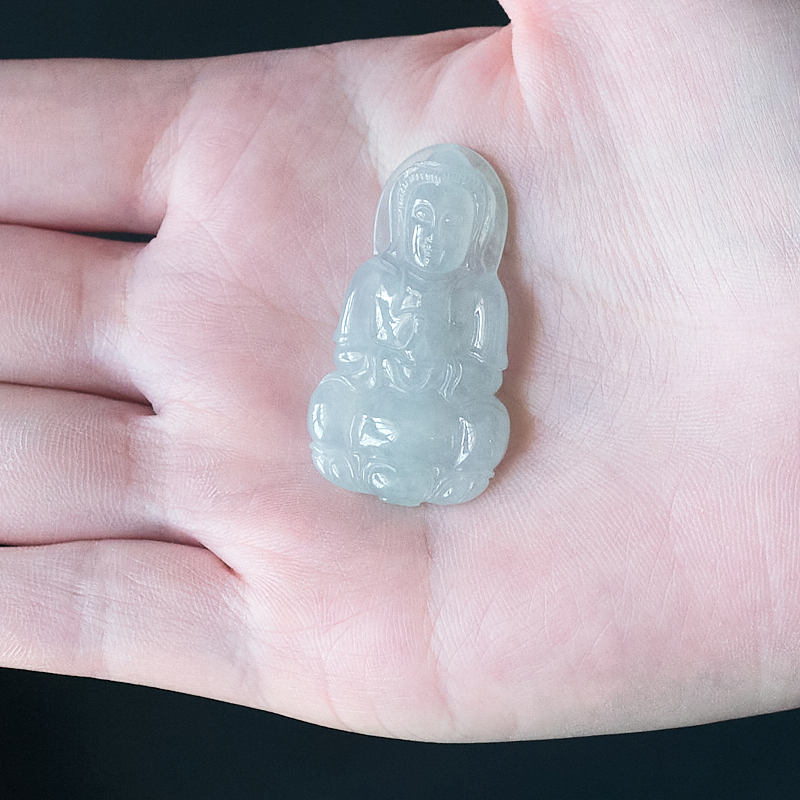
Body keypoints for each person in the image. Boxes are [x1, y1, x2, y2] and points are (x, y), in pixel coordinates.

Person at [0, 0, 797, 742]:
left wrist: (443, 381)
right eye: (419, 220)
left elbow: (481, 361)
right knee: (341, 407)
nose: (429, 236)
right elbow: (355, 349)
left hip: (438, 404)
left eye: (446, 223)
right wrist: (385, 367)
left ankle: (418, 460)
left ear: (472, 230)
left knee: (478, 423)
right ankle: (382, 455)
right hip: (386, 395)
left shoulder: (478, 292)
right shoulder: (380, 280)